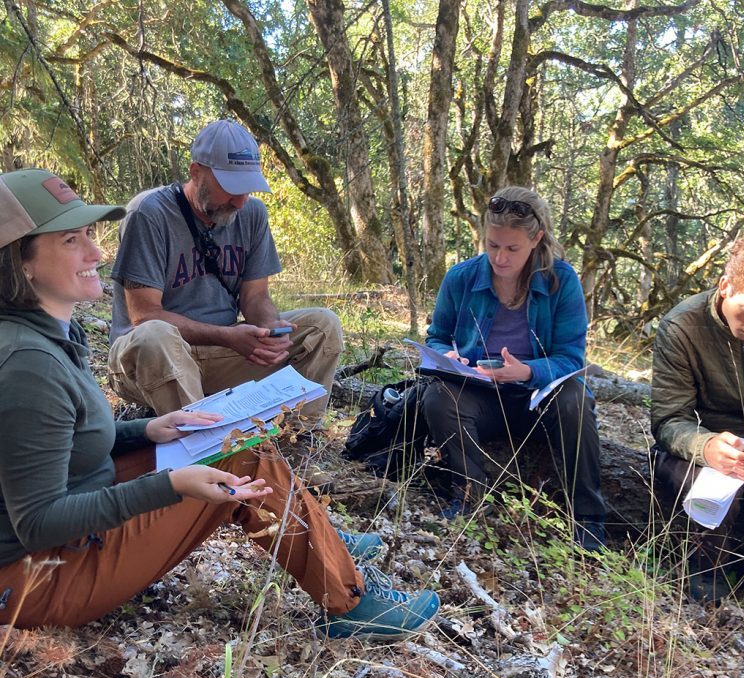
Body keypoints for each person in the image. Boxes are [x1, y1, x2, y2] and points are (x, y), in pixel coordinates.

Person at [0, 168, 439, 637]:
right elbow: (40, 523)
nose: (97, 252)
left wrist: (147, 430)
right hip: (35, 579)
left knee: (226, 436)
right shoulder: (29, 361)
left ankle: (320, 539)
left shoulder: (46, 335)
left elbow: (61, 444)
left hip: (64, 537)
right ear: (20, 262)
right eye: (71, 240)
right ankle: (348, 600)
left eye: (90, 233)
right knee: (240, 453)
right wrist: (173, 484)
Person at [107, 120, 342, 425]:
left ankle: (298, 438)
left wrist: (271, 331)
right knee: (155, 336)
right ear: (195, 173)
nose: (241, 201)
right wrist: (228, 337)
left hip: (221, 355)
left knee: (323, 326)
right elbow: (144, 316)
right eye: (231, 188)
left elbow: (255, 297)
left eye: (248, 188)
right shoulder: (149, 213)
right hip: (149, 361)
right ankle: (207, 452)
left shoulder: (252, 214)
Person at [422, 186, 607, 551]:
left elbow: (571, 359)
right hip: (480, 395)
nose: (500, 258)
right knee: (438, 396)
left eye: (512, 249)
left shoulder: (561, 281)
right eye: (492, 246)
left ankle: (587, 520)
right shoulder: (461, 278)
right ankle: (470, 500)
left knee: (575, 398)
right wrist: (450, 358)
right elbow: (436, 338)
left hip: (538, 401)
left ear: (536, 239)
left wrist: (527, 372)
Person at [652, 229, 744, 603]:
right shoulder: (681, 326)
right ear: (724, 286)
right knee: (709, 483)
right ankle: (705, 577)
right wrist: (706, 447)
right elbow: (668, 420)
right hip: (698, 448)